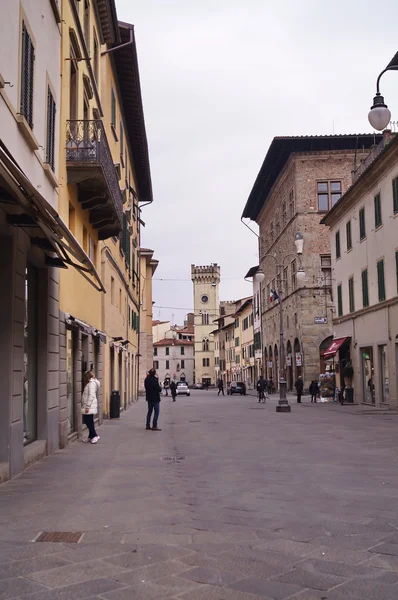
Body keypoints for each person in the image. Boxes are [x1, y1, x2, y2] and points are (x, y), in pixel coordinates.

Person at [81, 370, 100, 444]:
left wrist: (87, 406)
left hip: (89, 405)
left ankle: (95, 435)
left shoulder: (91, 384)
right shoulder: (92, 383)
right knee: (90, 421)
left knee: (87, 420)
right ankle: (90, 437)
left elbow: (91, 395)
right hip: (90, 405)